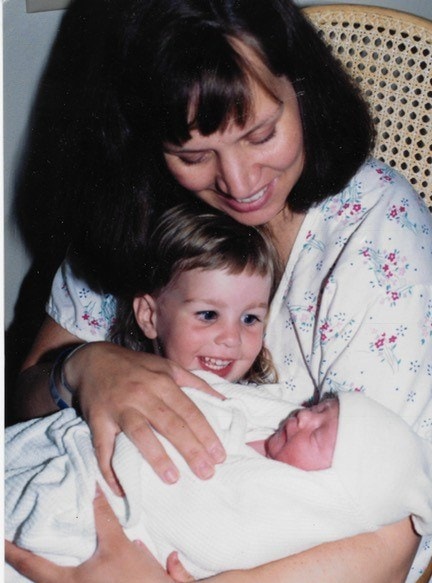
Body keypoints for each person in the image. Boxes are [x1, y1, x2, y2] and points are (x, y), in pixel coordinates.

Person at [12, 0, 432, 581]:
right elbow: (22, 398)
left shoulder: (378, 241)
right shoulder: (139, 212)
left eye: (261, 134)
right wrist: (82, 369)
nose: (239, 184)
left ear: (303, 91)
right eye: (193, 154)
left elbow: (397, 543)